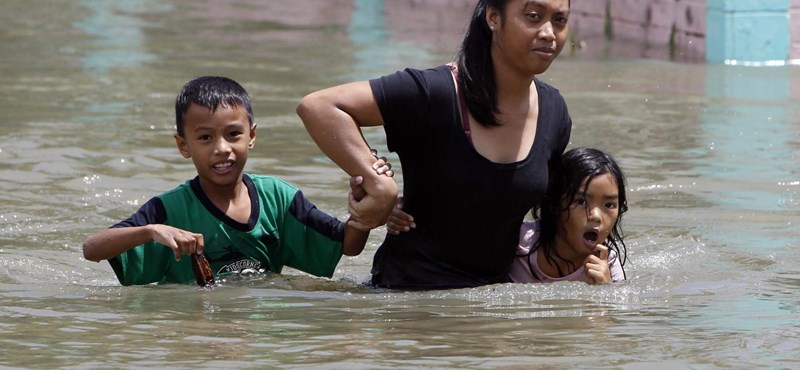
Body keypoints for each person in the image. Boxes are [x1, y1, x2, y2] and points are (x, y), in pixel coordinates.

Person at [296, 0, 572, 289]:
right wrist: (381, 188)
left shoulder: (554, 112)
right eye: (533, 17)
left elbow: (547, 217)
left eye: (560, 21)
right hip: (406, 303)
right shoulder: (436, 93)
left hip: (493, 308)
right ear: (494, 17)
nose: (548, 33)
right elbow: (319, 107)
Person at [82, 76, 392, 286]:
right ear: (183, 146)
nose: (222, 148)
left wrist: (366, 211)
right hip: (195, 330)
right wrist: (151, 231)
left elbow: (347, 246)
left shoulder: (279, 199)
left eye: (233, 134)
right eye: (205, 137)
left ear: (252, 136)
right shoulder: (169, 211)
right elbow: (92, 249)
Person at [388, 147, 628, 284]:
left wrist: (603, 293)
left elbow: (606, 330)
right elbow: (459, 233)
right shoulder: (519, 243)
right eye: (580, 202)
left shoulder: (607, 263)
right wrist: (405, 214)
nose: (596, 216)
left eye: (609, 205)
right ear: (554, 205)